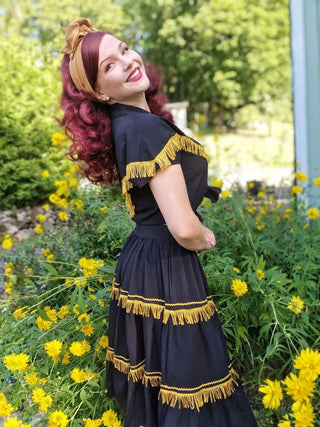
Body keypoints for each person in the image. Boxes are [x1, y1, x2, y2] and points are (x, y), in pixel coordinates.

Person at [60, 17, 258, 427]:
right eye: (110, 66)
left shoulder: (125, 124)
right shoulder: (146, 129)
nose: (128, 61)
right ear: (99, 91)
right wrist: (204, 235)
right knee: (192, 383)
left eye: (125, 49)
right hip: (168, 265)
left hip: (141, 264)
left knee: (157, 384)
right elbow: (183, 228)